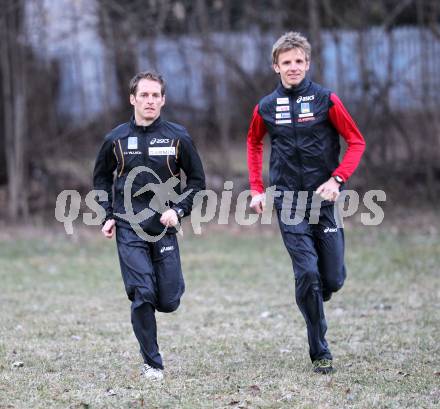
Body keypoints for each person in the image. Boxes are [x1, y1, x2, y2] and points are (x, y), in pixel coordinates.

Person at [246, 32, 366, 374]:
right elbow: (254, 144)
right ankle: (320, 350)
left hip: (323, 199)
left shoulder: (326, 100)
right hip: (288, 200)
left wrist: (338, 179)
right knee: (308, 274)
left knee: (334, 279)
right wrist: (258, 188)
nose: (293, 67)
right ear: (275, 66)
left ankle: (317, 293)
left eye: (299, 61)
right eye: (286, 62)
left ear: (308, 63)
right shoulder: (266, 107)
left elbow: (356, 141)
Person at [93, 71, 205, 380]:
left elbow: (197, 181)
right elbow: (100, 179)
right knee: (142, 293)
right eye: (144, 95)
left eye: (156, 95)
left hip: (164, 226)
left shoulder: (177, 137)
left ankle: (164, 298)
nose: (150, 101)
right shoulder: (115, 139)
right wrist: (107, 214)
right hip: (129, 226)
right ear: (132, 99)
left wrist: (180, 209)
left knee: (168, 300)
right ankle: (152, 363)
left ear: (163, 100)